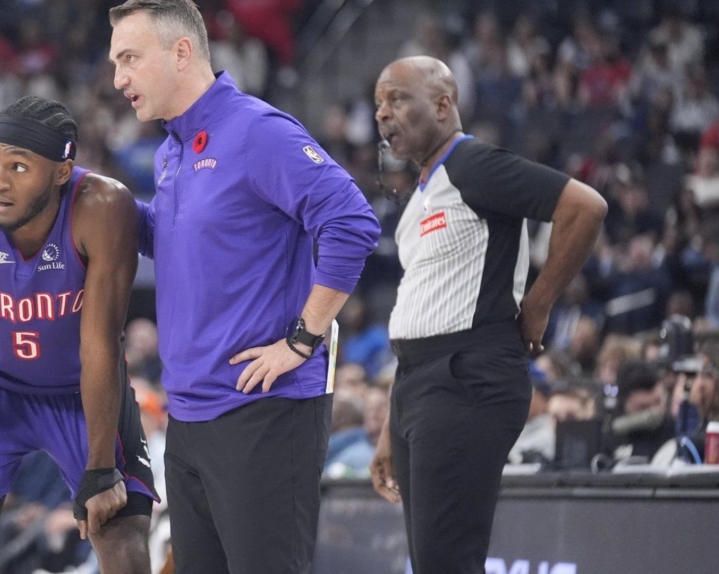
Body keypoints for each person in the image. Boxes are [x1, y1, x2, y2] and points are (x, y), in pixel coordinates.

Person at [107, 2, 381, 572]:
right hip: (188, 415)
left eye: (129, 59)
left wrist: (303, 339)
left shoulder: (257, 130)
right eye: (115, 62)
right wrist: (101, 205)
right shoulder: (170, 151)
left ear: (181, 52)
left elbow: (352, 221)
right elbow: (181, 242)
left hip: (262, 409)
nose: (119, 79)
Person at [368, 56, 607, 574]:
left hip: (466, 377)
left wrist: (539, 304)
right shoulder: (419, 197)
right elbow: (418, 314)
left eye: (397, 99)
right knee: (434, 561)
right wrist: (392, 424)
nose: (383, 114)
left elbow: (585, 207)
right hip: (419, 383)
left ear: (442, 104)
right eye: (378, 104)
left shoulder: (473, 166)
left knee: (445, 562)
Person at [0, 96, 157, 574]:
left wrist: (99, 470)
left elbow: (101, 345)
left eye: (19, 166)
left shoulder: (105, 206)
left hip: (80, 389)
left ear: (62, 171)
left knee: (122, 526)